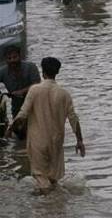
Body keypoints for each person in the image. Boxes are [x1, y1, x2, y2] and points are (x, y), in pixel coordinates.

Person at [4, 57, 85, 194]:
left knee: (41, 178)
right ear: (57, 72)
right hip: (56, 141)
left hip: (38, 141)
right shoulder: (64, 94)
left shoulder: (35, 90)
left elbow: (22, 114)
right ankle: (58, 208)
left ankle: (46, 209)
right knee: (53, 178)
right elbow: (74, 119)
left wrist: (10, 129)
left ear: (43, 72)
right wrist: (79, 140)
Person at [0, 45, 41, 139]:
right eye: (9, 58)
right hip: (17, 108)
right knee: (20, 135)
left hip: (34, 106)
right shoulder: (3, 71)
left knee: (36, 134)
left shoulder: (30, 67)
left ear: (20, 56)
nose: (12, 60)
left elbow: (37, 85)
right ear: (6, 60)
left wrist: (21, 91)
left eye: (15, 57)